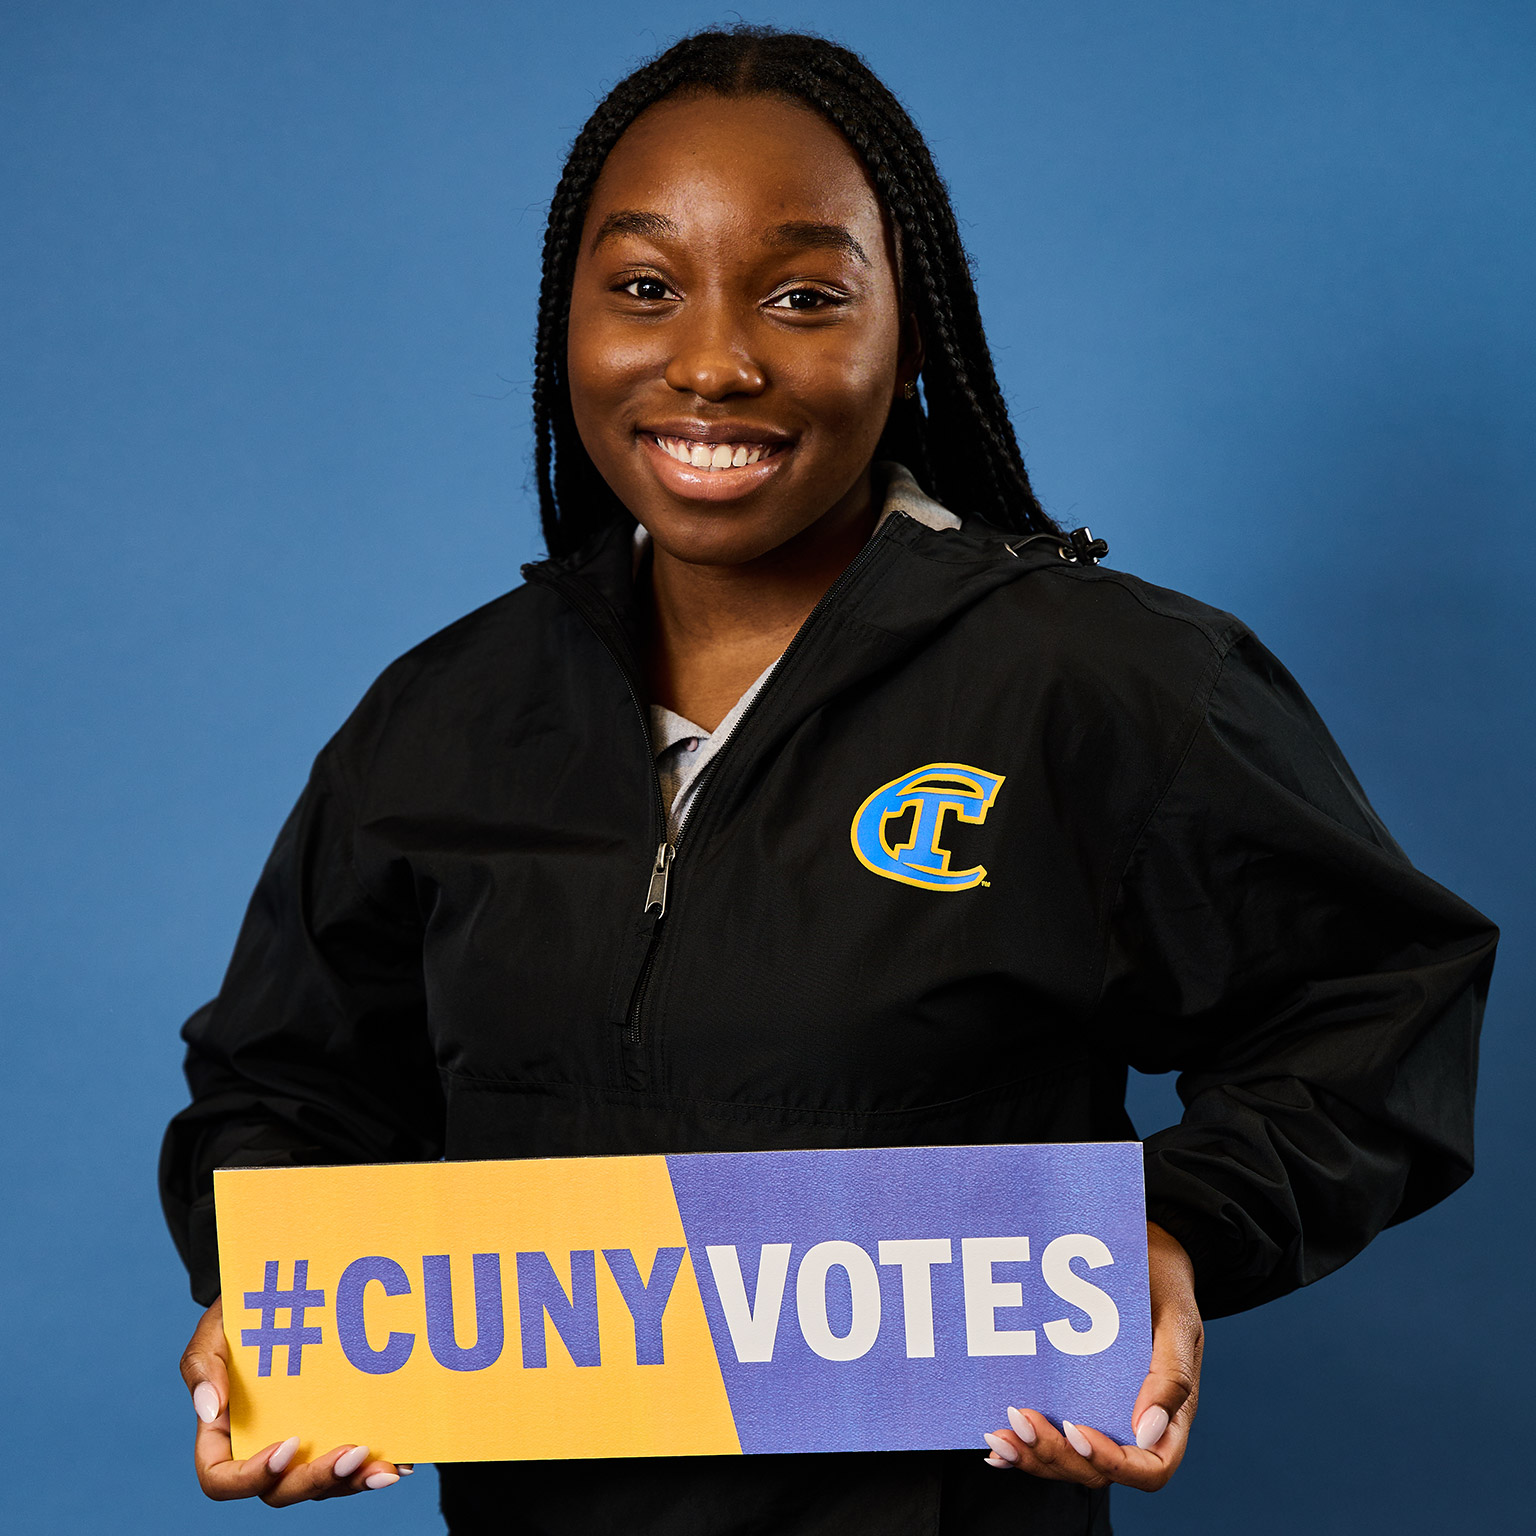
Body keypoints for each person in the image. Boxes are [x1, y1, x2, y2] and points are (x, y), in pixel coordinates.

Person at [161, 25, 1495, 1536]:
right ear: (567, 326)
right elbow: (281, 1082)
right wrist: (263, 1305)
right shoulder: (444, 716)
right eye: (645, 290)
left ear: (907, 334)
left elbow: (1377, 1003)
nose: (716, 361)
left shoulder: (1095, 682)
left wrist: (1177, 1226)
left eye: (804, 297)